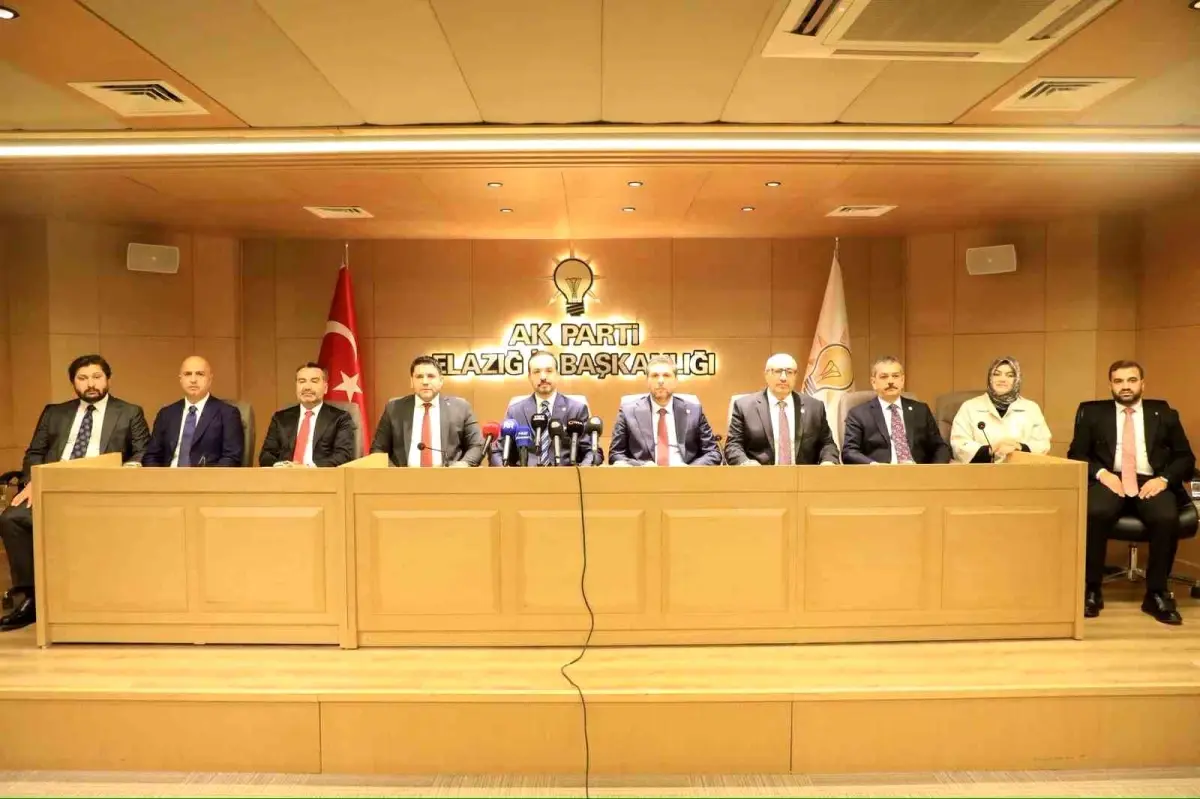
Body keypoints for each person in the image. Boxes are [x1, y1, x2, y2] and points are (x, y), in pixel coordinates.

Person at [0, 355, 150, 631]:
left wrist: (126, 471)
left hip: (100, 492)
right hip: (52, 488)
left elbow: (143, 451)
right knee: (12, 519)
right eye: (83, 378)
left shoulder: (129, 412)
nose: (90, 384)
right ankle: (30, 599)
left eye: (97, 377)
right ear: (73, 383)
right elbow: (35, 452)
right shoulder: (54, 413)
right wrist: (32, 481)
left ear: (108, 379)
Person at [1068, 360, 1195, 625]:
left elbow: (1185, 457)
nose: (1125, 386)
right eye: (1119, 381)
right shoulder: (1093, 414)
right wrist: (1102, 475)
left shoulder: (1164, 414)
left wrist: (1164, 479)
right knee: (1095, 512)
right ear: (1111, 385)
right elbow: (1076, 454)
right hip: (1110, 478)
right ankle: (1092, 589)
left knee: (1165, 518)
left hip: (1151, 480)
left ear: (1142, 384)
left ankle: (1156, 593)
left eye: (1131, 380)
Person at [725, 353, 839, 466]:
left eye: (789, 372)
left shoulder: (814, 407)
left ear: (795, 376)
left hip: (803, 476)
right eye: (778, 371)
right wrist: (746, 463)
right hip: (759, 475)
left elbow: (827, 444)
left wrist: (828, 461)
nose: (783, 378)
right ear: (766, 374)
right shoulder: (744, 407)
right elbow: (733, 445)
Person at [490, 350, 600, 466]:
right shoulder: (516, 411)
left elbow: (592, 452)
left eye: (549, 371)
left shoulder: (577, 409)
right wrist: (506, 473)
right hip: (525, 475)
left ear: (557, 374)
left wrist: (581, 471)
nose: (543, 377)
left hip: (565, 475)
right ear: (529, 377)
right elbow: (497, 452)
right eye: (536, 372)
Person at [372, 356, 484, 467]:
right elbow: (378, 449)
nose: (425, 382)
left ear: (441, 381)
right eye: (419, 377)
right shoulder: (394, 408)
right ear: (411, 381)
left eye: (431, 376)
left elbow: (477, 445)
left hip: (448, 476)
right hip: (403, 477)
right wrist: (394, 473)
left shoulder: (460, 407)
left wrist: (463, 464)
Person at [609, 355, 721, 466]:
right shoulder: (628, 412)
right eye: (655, 376)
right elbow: (615, 454)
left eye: (666, 375)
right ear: (647, 381)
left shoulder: (694, 411)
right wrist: (642, 466)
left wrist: (688, 470)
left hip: (685, 475)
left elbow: (713, 453)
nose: (661, 381)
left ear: (675, 381)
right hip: (644, 475)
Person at [841, 356, 950, 465]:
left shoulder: (921, 410)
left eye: (895, 376)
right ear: (873, 382)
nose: (890, 381)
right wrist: (874, 465)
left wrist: (934, 470)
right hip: (879, 472)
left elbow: (940, 447)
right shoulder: (859, 414)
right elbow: (849, 452)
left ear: (902, 380)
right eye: (884, 377)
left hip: (917, 471)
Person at [143, 356, 244, 467]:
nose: (193, 380)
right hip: (168, 476)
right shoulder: (166, 414)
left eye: (200, 374)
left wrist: (204, 477)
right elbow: (151, 456)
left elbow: (231, 458)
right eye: (188, 374)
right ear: (180, 379)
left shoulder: (228, 414)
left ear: (210, 379)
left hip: (208, 476)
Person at [951, 357, 1052, 463]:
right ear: (990, 378)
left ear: (1017, 380)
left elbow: (1043, 444)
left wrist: (1019, 447)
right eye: (997, 374)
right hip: (981, 470)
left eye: (1010, 375)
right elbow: (959, 444)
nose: (1002, 379)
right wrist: (990, 450)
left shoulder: (1031, 408)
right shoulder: (969, 407)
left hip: (1020, 469)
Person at [260, 362, 357, 467]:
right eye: (302, 381)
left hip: (321, 475)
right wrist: (281, 466)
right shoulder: (280, 418)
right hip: (285, 474)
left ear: (325, 388)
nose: (307, 387)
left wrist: (308, 468)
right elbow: (266, 455)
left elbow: (343, 456)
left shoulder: (340, 418)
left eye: (314, 381)